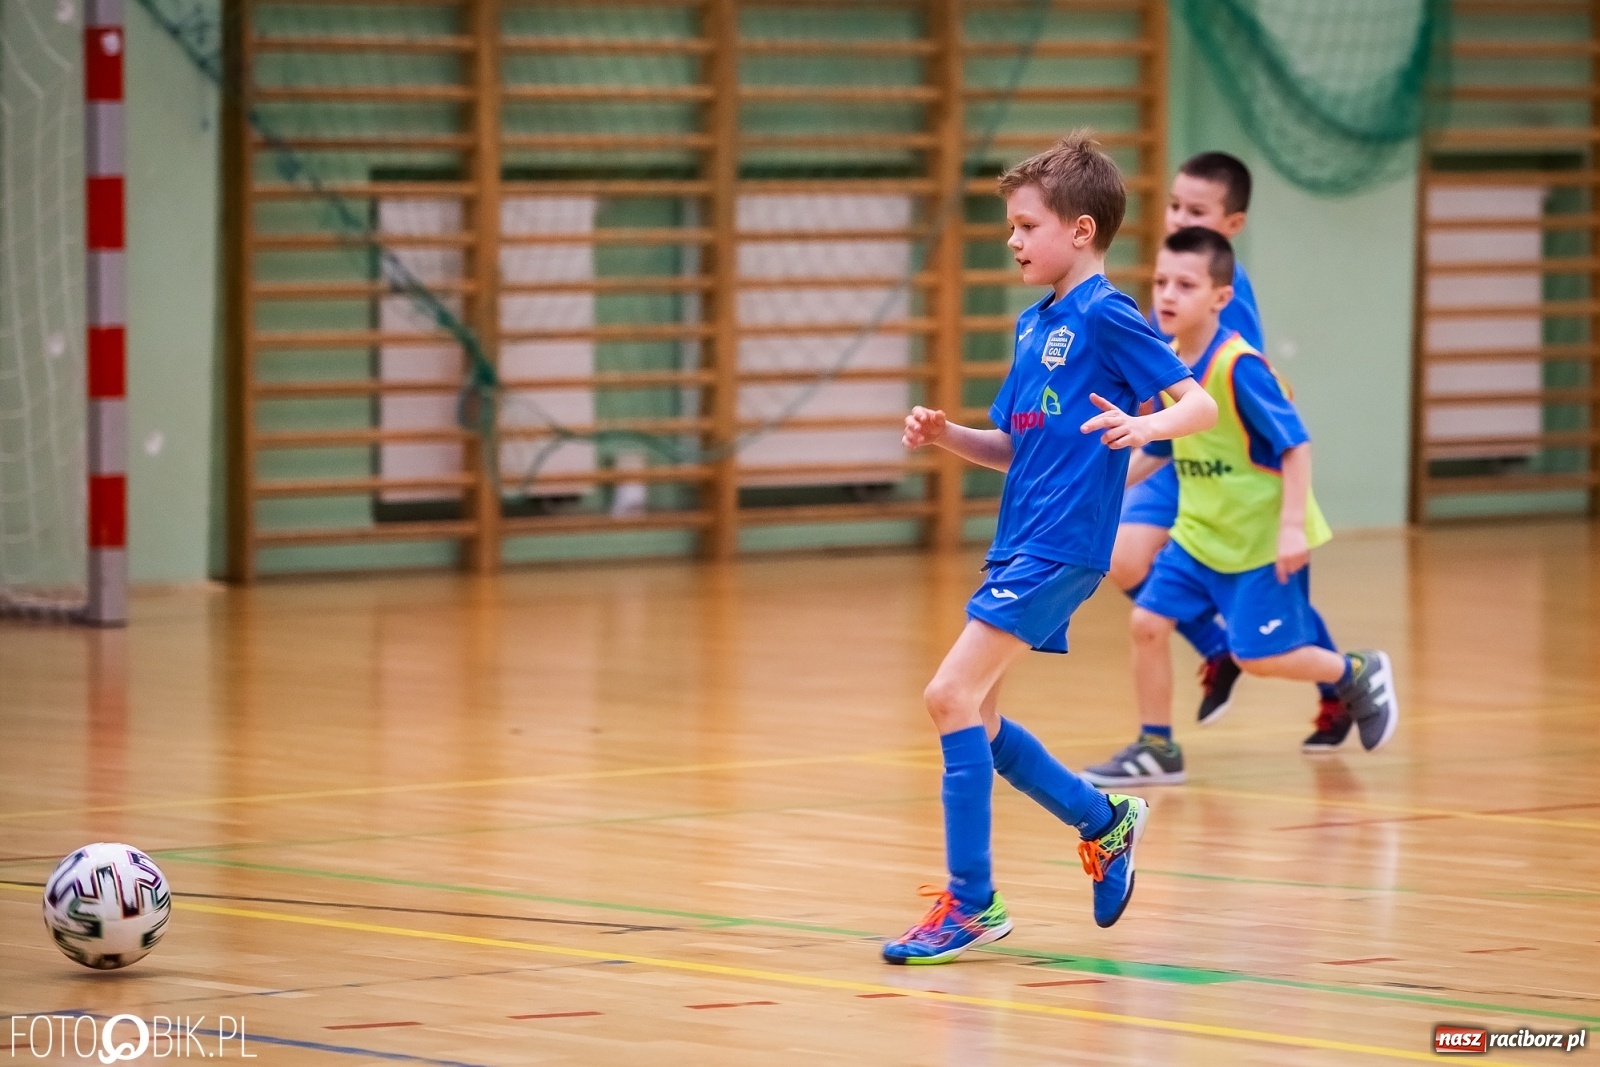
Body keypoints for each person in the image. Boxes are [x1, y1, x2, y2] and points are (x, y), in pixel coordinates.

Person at [882, 134, 1218, 965]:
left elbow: (1200, 404)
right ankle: (1104, 821)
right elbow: (1013, 445)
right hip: (1017, 545)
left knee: (947, 694)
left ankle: (971, 902)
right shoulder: (1037, 324)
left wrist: (1149, 423)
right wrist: (948, 433)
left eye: (1026, 224)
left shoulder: (1105, 313)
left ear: (1079, 230)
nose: (1013, 238)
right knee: (982, 722)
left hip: (1061, 546)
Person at [1083, 227, 1397, 789]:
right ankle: (1157, 747)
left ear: (1221, 298)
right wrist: (1092, 488)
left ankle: (1356, 671)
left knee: (1258, 656)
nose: (1168, 296)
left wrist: (1292, 528)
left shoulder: (1239, 366)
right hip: (1200, 535)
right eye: (1160, 282)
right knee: (1148, 623)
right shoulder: (1168, 363)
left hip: (1256, 541)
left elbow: (1296, 444)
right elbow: (1158, 449)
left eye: (1185, 284)